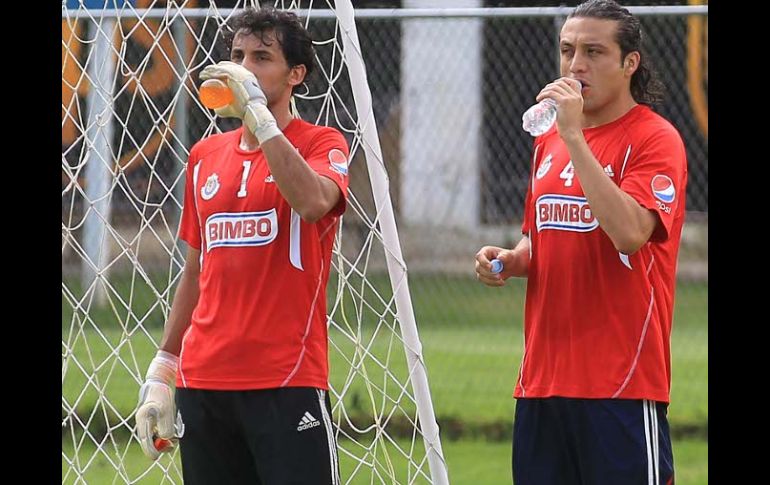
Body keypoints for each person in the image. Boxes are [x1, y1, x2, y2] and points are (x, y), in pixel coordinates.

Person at [474, 1, 687, 483]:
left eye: (594, 52)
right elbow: (539, 237)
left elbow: (630, 233)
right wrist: (511, 258)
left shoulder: (655, 139)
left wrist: (573, 136)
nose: (576, 66)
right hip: (542, 385)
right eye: (568, 50)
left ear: (629, 63)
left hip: (621, 383)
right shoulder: (547, 141)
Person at [135, 7, 348, 484]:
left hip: (285, 380)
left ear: (296, 74)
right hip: (204, 382)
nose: (244, 68)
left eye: (261, 57)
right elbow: (195, 271)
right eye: (236, 55)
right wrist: (162, 371)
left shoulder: (321, 143)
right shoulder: (204, 156)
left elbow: (314, 202)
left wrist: (261, 120)